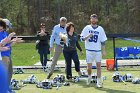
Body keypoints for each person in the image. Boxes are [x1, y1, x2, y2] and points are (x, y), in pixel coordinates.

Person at [80, 14, 107, 87]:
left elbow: (103, 41)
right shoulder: (87, 28)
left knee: (99, 66)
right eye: (92, 18)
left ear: (97, 20)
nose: (94, 20)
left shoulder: (100, 29)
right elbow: (81, 39)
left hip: (98, 50)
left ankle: (98, 82)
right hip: (89, 50)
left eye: (95, 18)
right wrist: (88, 36)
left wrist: (103, 50)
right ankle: (89, 76)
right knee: (89, 67)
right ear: (90, 19)